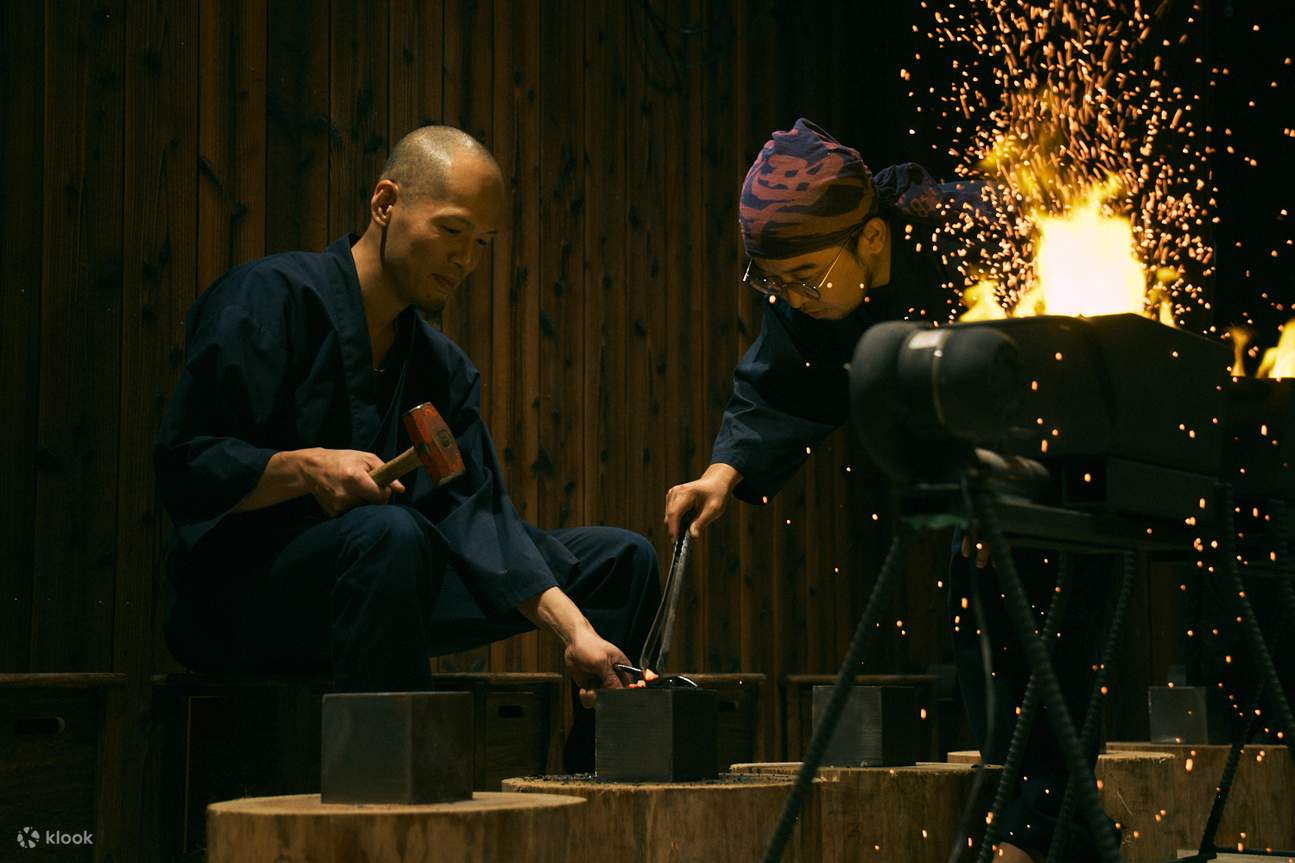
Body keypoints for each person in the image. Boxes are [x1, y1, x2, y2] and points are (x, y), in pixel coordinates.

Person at [662, 118, 1111, 862]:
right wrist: (723, 471)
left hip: (1064, 454)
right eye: (772, 283)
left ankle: (1036, 834)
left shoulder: (976, 231)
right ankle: (1028, 830)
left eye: (802, 279)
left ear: (872, 241)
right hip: (976, 487)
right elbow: (780, 381)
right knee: (978, 629)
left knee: (1047, 626)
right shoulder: (814, 291)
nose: (791, 298)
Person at [155, 125, 660, 771]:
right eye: (451, 230)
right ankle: (388, 794)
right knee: (393, 533)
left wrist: (577, 632)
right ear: (385, 203)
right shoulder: (271, 297)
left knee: (621, 560)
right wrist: (302, 468)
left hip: (388, 587)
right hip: (242, 599)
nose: (465, 259)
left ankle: (600, 791)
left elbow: (473, 515)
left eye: (481, 243)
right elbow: (184, 464)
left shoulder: (437, 368)